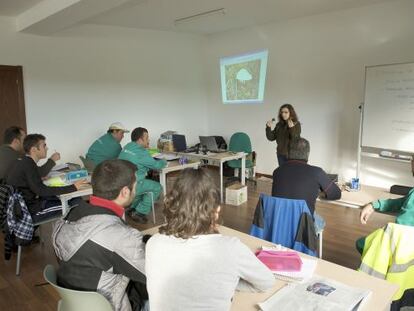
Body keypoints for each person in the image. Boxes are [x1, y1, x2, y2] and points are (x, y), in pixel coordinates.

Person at [145, 168, 274, 311]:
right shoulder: (231, 249)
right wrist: (228, 280)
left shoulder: (154, 243)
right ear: (216, 210)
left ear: (172, 205)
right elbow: (267, 282)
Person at [52, 159, 149, 311]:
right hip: (110, 305)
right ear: (124, 192)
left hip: (76, 304)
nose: (136, 191)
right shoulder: (121, 238)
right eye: (135, 187)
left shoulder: (67, 217)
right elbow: (154, 275)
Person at [6, 134, 85, 222]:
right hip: (29, 211)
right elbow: (41, 190)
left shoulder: (24, 161)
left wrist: (38, 179)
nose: (47, 148)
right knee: (76, 203)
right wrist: (73, 187)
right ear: (34, 150)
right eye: (44, 145)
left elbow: (31, 181)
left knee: (71, 199)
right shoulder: (28, 164)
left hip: (25, 205)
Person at [272, 137, 341, 232]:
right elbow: (336, 194)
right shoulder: (317, 172)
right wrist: (319, 194)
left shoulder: (277, 172)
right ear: (308, 154)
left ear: (287, 153)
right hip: (304, 228)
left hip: (279, 224)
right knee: (320, 221)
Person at [118, 127, 167, 223]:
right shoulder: (142, 152)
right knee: (157, 187)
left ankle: (132, 209)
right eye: (147, 138)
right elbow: (156, 166)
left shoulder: (127, 146)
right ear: (140, 140)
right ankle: (140, 212)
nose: (148, 140)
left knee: (144, 188)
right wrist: (164, 161)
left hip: (121, 182)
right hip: (133, 183)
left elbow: (137, 161)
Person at [357, 177, 414, 254]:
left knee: (363, 244)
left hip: (403, 249)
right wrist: (374, 205)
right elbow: (403, 202)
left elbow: (403, 230)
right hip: (399, 243)